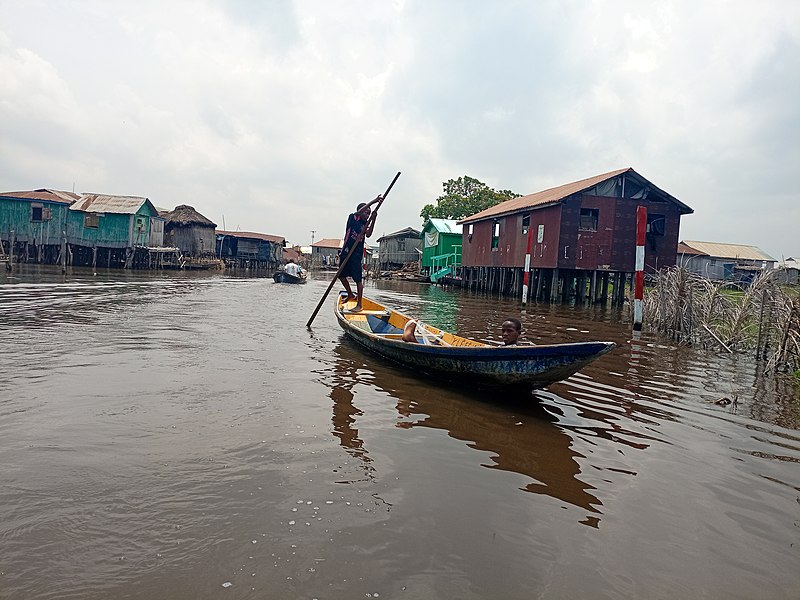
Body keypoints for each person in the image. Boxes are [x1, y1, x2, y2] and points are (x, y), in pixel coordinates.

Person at [339, 194, 382, 311]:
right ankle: (350, 294)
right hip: (346, 251)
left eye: (369, 212)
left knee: (358, 279)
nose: (368, 213)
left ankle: (359, 305)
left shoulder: (365, 224)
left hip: (356, 254)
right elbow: (358, 212)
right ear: (360, 211)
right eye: (366, 211)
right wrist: (374, 201)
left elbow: (368, 234)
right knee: (341, 276)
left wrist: (373, 219)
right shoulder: (353, 218)